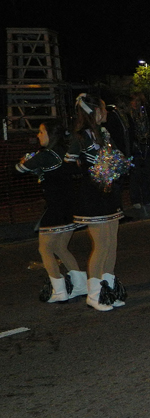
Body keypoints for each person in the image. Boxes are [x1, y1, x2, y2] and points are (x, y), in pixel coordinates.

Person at [66, 94, 127, 311]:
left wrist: (116, 164)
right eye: (103, 108)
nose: (107, 113)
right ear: (93, 111)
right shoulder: (80, 137)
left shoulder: (104, 133)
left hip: (110, 193)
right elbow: (69, 165)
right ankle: (93, 294)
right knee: (101, 246)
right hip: (92, 195)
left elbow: (115, 156)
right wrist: (89, 168)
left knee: (111, 244)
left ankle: (108, 290)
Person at [15, 119, 86, 303]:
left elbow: (18, 169)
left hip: (56, 207)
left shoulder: (45, 155)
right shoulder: (64, 151)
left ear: (50, 134)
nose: (38, 135)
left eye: (41, 132)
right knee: (61, 247)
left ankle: (59, 290)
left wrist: (26, 161)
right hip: (72, 205)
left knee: (44, 249)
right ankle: (80, 285)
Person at [127, 92, 150, 215]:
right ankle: (136, 199)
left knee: (146, 174)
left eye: (138, 101)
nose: (136, 103)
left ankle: (147, 199)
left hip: (146, 146)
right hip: (135, 148)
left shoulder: (146, 115)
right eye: (134, 101)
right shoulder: (128, 115)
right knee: (135, 175)